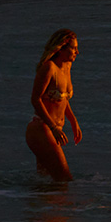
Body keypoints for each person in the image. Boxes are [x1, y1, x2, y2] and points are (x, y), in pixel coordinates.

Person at [27, 28, 82, 181]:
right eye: (74, 48)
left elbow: (62, 99)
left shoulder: (66, 66)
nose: (77, 52)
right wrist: (54, 128)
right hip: (41, 129)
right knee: (64, 179)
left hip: (54, 131)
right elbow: (35, 99)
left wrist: (73, 121)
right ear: (61, 47)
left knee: (45, 183)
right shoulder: (49, 68)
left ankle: (35, 204)